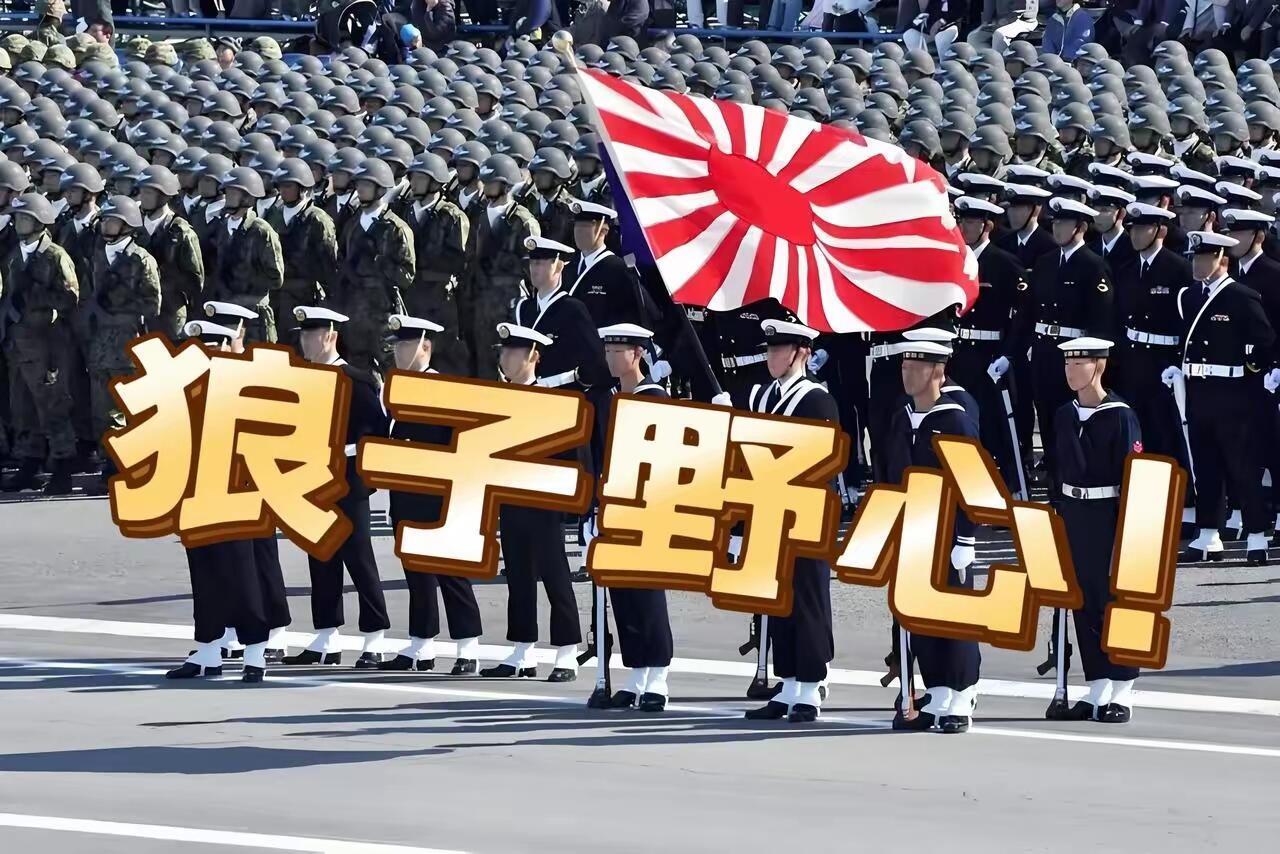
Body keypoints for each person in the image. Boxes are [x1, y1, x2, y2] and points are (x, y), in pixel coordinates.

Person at [283, 306, 393, 668]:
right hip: (313, 481)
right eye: (302, 335)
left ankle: (374, 638)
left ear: (330, 336)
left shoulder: (357, 380)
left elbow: (375, 433)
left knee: (359, 559)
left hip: (346, 480)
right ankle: (326, 637)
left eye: (311, 335)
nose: (305, 342)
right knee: (321, 558)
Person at [743, 319, 839, 724]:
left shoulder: (816, 399)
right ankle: (788, 683)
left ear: (801, 352)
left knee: (808, 599)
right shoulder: (764, 396)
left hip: (805, 512)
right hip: (771, 510)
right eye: (769, 349)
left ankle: (811, 685)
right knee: (779, 601)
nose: (771, 356)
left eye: (779, 349)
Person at [886, 334, 982, 734]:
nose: (907, 373)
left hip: (948, 530)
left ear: (938, 372)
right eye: (905, 366)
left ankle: (961, 695)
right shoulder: (902, 417)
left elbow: (971, 484)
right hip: (914, 529)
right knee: (921, 614)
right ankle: (937, 691)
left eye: (917, 367)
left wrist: (966, 539)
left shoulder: (955, 420)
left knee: (953, 616)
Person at [378, 313, 484, 674]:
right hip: (405, 495)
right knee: (416, 575)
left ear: (426, 346)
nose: (399, 352)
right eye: (396, 346)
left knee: (450, 574)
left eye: (407, 345)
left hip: (439, 498)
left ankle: (467, 648)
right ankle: (420, 646)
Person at [481, 323, 584, 682]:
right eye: (504, 352)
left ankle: (567, 653)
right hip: (510, 500)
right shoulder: (499, 399)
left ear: (534, 357)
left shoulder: (552, 401)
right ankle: (522, 651)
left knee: (555, 575)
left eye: (513, 352)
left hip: (543, 502)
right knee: (518, 576)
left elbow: (571, 456)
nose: (506, 358)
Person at [1049, 337, 1142, 722]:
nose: (1071, 372)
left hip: (1108, 514)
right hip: (1075, 514)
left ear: (1099, 366)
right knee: (1083, 600)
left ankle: (1122, 688)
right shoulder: (1064, 415)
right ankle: (1098, 684)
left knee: (1114, 602)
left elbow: (1133, 478)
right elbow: (1057, 469)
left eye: (1079, 364)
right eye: (1067, 364)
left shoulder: (1120, 415)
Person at [1169, 232, 1276, 565]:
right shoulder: (1189, 297)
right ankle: (1207, 535)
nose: (1197, 264)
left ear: (1222, 260)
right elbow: (1185, 340)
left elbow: (1266, 341)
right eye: (1195, 257)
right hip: (1198, 391)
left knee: (1242, 467)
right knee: (1205, 466)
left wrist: (1251, 370)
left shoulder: (1241, 297)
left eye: (1204, 258)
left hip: (1233, 394)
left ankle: (1256, 536)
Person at [991, 198, 1113, 487]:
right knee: (1046, 418)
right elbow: (1027, 314)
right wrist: (1011, 353)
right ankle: (1055, 484)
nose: (1057, 229)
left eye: (1064, 223)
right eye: (1055, 223)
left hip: (1075, 355)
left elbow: (1102, 321)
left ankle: (1072, 483)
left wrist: (1094, 365)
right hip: (1044, 353)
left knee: (1071, 421)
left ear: (1080, 227)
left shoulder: (1093, 266)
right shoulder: (1045, 263)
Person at [586, 322, 675, 712]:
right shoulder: (609, 399)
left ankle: (658, 677)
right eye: (606, 351)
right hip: (614, 507)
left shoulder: (655, 399)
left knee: (647, 593)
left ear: (638, 354)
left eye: (616, 351)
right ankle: (636, 672)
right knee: (622, 594)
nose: (609, 358)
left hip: (648, 509)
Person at [0, 193, 79, 495]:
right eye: (17, 217)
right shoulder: (14, 255)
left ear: (40, 221)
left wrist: (37, 295)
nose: (19, 222)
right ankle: (29, 462)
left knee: (53, 406)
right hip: (19, 344)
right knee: (22, 408)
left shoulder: (55, 256)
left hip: (47, 344)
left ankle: (63, 466)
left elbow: (70, 298)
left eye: (25, 218)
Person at [85, 195, 161, 495]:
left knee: (130, 409)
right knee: (102, 411)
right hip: (101, 344)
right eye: (104, 220)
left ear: (128, 224)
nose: (106, 225)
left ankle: (132, 465)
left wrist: (119, 306)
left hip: (128, 342)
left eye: (113, 221)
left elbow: (153, 304)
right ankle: (110, 463)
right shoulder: (99, 254)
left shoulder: (141, 259)